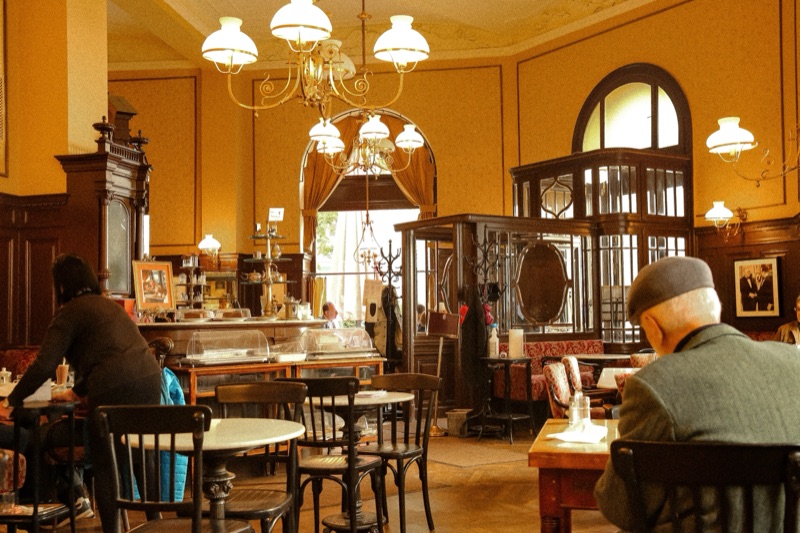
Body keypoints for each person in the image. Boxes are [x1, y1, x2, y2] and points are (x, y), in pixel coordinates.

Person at [594, 256, 800, 531]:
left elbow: (620, 506)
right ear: (715, 307)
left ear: (653, 327)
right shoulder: (794, 363)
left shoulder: (652, 385)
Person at [0, 254, 163, 532]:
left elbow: (44, 365)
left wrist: (11, 402)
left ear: (61, 287)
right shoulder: (108, 307)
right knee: (139, 451)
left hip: (113, 388)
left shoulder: (69, 312)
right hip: (150, 380)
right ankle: (156, 523)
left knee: (104, 460)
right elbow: (111, 353)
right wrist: (77, 391)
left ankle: (110, 528)